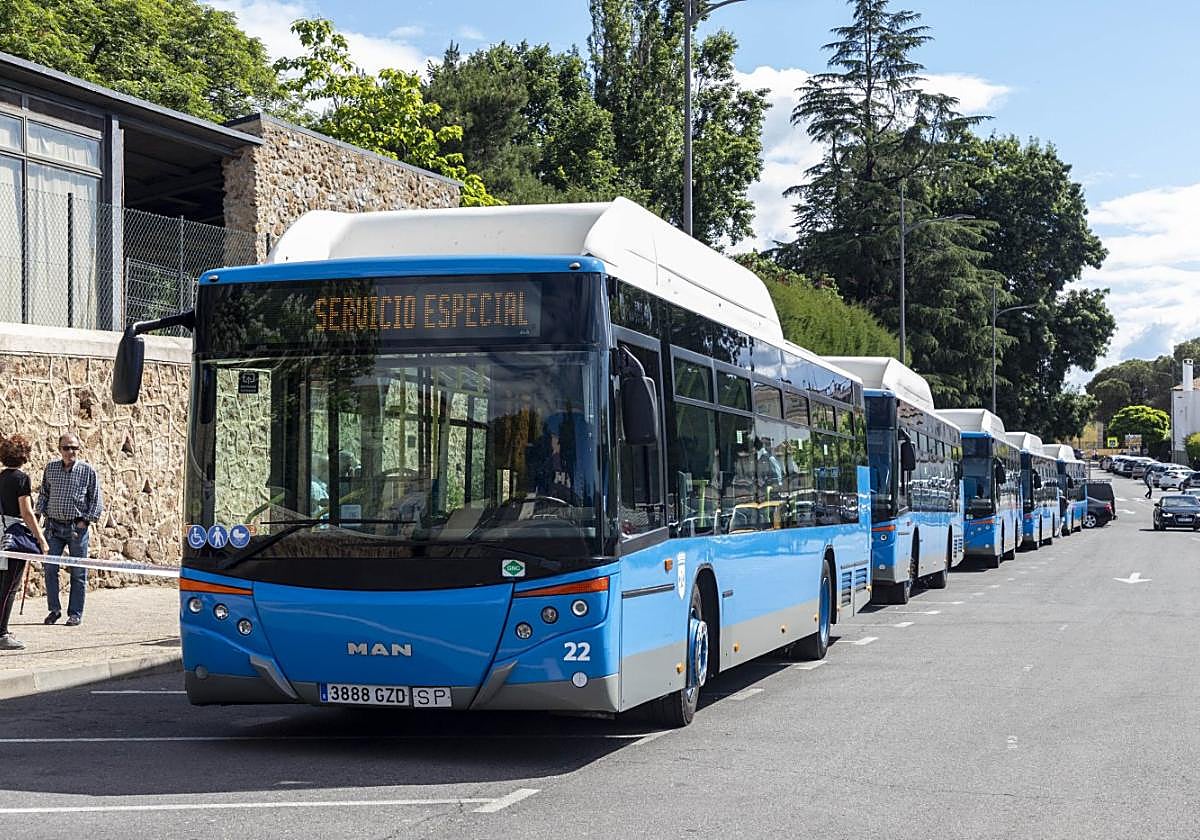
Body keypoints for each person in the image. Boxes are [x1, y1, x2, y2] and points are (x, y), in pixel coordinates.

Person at [36, 432, 104, 626]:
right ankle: (54, 610)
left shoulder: (88, 471)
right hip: (53, 528)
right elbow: (44, 493)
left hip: (76, 529)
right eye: (66, 448)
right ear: (60, 449)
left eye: (74, 447)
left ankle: (75, 613)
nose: (70, 451)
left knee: (78, 573)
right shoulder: (51, 469)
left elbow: (96, 500)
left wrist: (85, 522)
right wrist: (38, 515)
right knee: (49, 569)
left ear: (79, 449)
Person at [0, 434, 50, 650]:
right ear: (24, 456)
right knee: (10, 586)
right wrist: (40, 539)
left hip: (0, 531)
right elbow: (27, 512)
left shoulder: (0, 477)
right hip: (13, 535)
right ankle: (1, 634)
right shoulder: (21, 479)